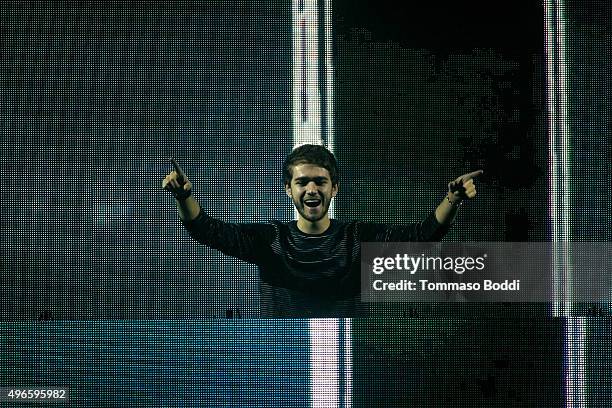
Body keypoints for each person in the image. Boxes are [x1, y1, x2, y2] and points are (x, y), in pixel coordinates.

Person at [162, 144, 482, 317]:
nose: (312, 189)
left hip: (347, 359)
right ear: (289, 189)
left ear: (334, 189)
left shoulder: (357, 238)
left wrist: (451, 199)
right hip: (283, 361)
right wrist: (185, 197)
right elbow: (207, 231)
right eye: (302, 182)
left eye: (320, 181)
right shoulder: (270, 240)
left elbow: (422, 237)